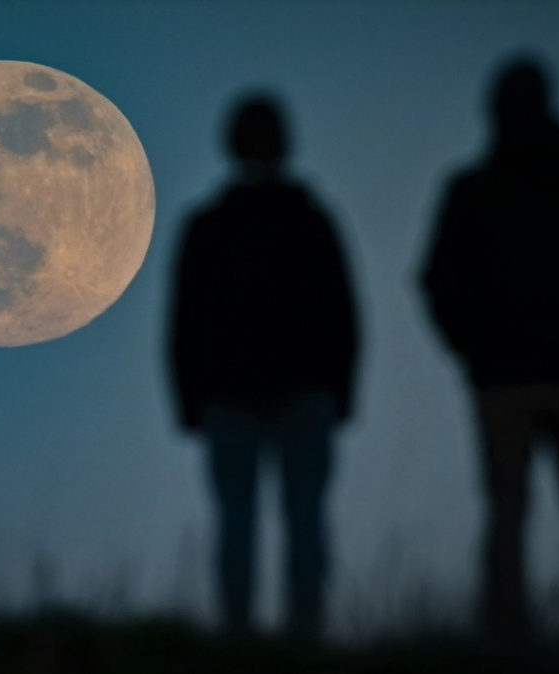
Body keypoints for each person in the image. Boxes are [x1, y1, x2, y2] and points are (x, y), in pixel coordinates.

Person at [419, 55, 559, 649]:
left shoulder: (479, 191)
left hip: (523, 377)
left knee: (526, 512)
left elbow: (439, 281)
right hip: (557, 375)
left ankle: (520, 638)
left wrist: (475, 344)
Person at [169, 94, 359, 640]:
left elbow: (342, 311)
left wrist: (340, 390)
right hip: (255, 397)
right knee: (272, 524)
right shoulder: (298, 220)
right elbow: (186, 319)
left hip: (277, 395)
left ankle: (277, 636)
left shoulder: (220, 224)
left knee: (272, 525)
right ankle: (270, 636)